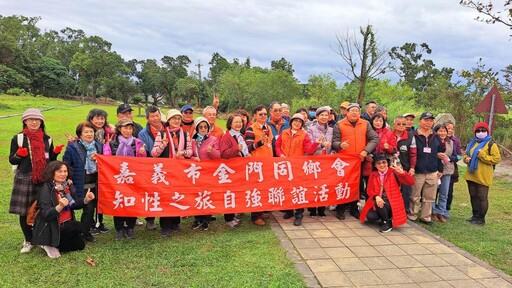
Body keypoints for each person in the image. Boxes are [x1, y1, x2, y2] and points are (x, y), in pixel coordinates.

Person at [9, 108, 63, 253]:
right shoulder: (19, 138)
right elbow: (11, 159)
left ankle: (41, 237)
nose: (34, 122)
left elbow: (50, 159)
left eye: (37, 120)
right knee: (24, 211)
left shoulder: (47, 138)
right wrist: (19, 155)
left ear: (41, 122)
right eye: (31, 119)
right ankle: (28, 240)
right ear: (25, 121)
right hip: (25, 178)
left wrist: (55, 152)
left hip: (43, 179)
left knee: (43, 209)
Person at [32, 161, 95, 258]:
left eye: (65, 171)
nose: (63, 174)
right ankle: (47, 243)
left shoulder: (66, 187)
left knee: (80, 245)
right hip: (53, 226)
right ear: (52, 172)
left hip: (67, 223)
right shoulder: (46, 189)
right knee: (79, 226)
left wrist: (86, 200)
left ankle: (54, 244)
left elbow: (75, 204)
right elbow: (46, 214)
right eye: (59, 171)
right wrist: (59, 207)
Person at [332, 103, 379, 220]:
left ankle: (354, 208)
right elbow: (334, 142)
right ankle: (340, 209)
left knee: (357, 185)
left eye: (357, 111)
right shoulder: (339, 124)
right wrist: (340, 145)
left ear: (360, 113)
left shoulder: (365, 123)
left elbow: (375, 138)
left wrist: (366, 151)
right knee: (343, 184)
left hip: (359, 160)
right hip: (344, 161)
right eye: (352, 110)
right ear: (347, 112)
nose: (354, 113)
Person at [103, 118, 147, 239]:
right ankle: (120, 228)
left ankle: (130, 227)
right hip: (116, 179)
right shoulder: (111, 143)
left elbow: (142, 162)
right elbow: (107, 160)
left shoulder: (137, 142)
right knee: (118, 201)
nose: (128, 131)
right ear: (119, 129)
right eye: (125, 128)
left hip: (133, 179)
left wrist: (142, 153)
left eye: (130, 128)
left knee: (132, 201)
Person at [276, 113, 322, 226]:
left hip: (297, 167)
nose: (297, 123)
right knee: (286, 188)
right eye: (295, 121)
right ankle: (289, 210)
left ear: (302, 124)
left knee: (298, 190)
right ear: (291, 122)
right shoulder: (284, 132)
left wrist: (316, 143)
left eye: (300, 122)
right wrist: (280, 154)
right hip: (285, 166)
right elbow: (277, 145)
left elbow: (309, 150)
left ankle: (299, 213)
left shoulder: (304, 135)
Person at [152, 109, 192, 236]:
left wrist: (183, 153)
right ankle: (165, 226)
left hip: (179, 170)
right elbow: (154, 154)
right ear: (168, 120)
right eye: (174, 118)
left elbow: (190, 151)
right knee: (165, 197)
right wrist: (163, 145)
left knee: (177, 195)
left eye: (179, 119)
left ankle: (176, 223)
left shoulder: (185, 134)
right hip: (165, 171)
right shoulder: (162, 134)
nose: (176, 121)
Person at [63, 122, 105, 243]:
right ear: (80, 134)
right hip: (80, 181)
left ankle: (88, 229)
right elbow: (66, 163)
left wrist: (98, 160)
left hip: (96, 181)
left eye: (91, 131)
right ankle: (84, 232)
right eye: (86, 132)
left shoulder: (98, 145)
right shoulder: (73, 147)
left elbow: (106, 162)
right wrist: (68, 177)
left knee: (94, 207)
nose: (89, 134)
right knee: (88, 207)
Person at [359, 154, 415, 233]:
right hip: (379, 200)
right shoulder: (373, 175)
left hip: (392, 202)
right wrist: (376, 196)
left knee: (380, 204)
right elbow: (369, 190)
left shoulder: (394, 172)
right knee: (371, 216)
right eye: (379, 163)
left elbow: (411, 182)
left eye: (384, 162)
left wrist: (403, 173)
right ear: (375, 165)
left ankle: (387, 222)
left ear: (387, 163)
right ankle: (384, 217)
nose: (382, 165)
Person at [408, 112, 445, 226]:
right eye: (426, 120)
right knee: (414, 195)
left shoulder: (436, 136)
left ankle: (426, 217)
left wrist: (440, 169)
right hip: (417, 171)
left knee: (429, 196)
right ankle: (412, 215)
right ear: (420, 122)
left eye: (430, 120)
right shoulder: (413, 135)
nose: (428, 123)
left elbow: (440, 154)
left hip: (432, 171)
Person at [463, 122, 501, 225]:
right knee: (473, 195)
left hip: (483, 175)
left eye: (483, 130)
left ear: (487, 132)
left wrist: (482, 155)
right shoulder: (472, 142)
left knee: (482, 197)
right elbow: (466, 154)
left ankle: (481, 219)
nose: (480, 132)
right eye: (478, 131)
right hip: (471, 174)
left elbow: (496, 159)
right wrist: (466, 159)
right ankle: (474, 216)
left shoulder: (491, 144)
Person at [190, 117, 221, 231]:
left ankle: (206, 219)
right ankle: (197, 218)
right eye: (201, 127)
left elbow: (219, 155)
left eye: (205, 127)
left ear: (208, 128)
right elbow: (189, 154)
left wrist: (211, 151)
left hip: (209, 172)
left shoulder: (213, 139)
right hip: (197, 172)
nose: (203, 129)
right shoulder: (193, 141)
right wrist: (194, 158)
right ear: (197, 128)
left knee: (207, 195)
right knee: (197, 195)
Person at [137, 105, 165, 230]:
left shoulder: (167, 127)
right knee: (151, 193)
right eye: (152, 116)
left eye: (157, 115)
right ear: (147, 118)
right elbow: (144, 151)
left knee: (166, 193)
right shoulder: (143, 133)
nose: (155, 118)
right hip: (150, 167)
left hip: (167, 165)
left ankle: (167, 219)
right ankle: (150, 219)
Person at [245, 105, 273, 225]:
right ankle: (255, 216)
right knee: (257, 190)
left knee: (266, 189)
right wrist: (260, 142)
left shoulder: (268, 128)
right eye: (260, 114)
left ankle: (264, 210)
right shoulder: (251, 129)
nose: (263, 116)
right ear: (255, 116)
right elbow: (249, 147)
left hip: (268, 164)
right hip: (257, 165)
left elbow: (271, 144)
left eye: (265, 114)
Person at [219, 114, 248, 228]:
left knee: (236, 193)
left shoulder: (239, 136)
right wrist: (237, 149)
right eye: (236, 122)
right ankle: (228, 219)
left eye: (240, 122)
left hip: (238, 169)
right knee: (229, 193)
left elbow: (243, 150)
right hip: (230, 170)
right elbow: (224, 153)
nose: (238, 124)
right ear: (230, 123)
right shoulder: (226, 137)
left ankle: (232, 216)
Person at [306, 106, 334, 218]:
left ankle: (322, 209)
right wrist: (321, 145)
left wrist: (333, 151)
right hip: (315, 162)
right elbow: (309, 146)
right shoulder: (311, 129)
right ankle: (312, 209)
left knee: (324, 185)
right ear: (317, 116)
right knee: (314, 186)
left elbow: (335, 143)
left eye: (326, 115)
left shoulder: (332, 130)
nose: (324, 117)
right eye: (321, 115)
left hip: (327, 162)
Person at [432, 124, 458, 223]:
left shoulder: (450, 142)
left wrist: (449, 158)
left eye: (444, 131)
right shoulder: (432, 142)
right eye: (440, 131)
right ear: (435, 132)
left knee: (444, 193)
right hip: (435, 170)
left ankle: (441, 212)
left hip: (447, 171)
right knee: (433, 193)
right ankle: (433, 212)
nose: (442, 133)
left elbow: (455, 156)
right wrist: (437, 155)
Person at [392, 115, 417, 213]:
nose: (401, 126)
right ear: (394, 125)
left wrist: (412, 168)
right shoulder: (389, 134)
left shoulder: (411, 137)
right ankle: (392, 210)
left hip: (405, 168)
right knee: (393, 190)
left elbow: (413, 154)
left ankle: (405, 210)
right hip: (391, 168)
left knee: (405, 191)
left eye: (403, 124)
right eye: (398, 124)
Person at [445, 121, 462, 212]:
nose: (450, 130)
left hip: (451, 168)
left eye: (452, 129)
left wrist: (450, 158)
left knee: (449, 190)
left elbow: (459, 155)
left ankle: (446, 209)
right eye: (448, 128)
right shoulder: (438, 138)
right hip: (439, 167)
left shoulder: (455, 141)